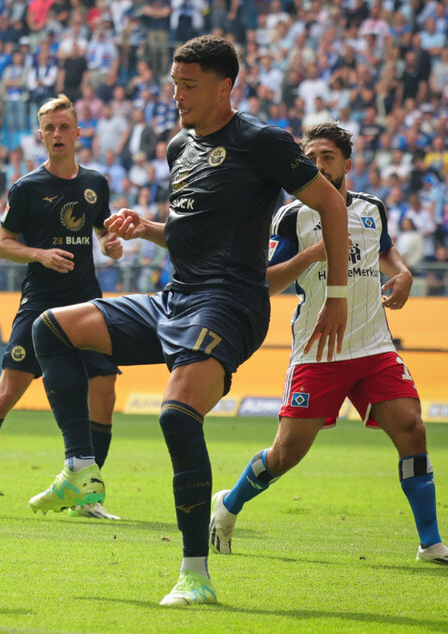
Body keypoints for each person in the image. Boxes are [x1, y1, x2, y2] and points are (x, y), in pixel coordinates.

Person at [27, 36, 351, 606]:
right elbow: (186, 231)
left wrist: (340, 297)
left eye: (189, 85)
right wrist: (143, 226)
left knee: (177, 417)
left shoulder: (262, 141)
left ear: (225, 88)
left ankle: (194, 574)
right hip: (175, 297)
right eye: (174, 84)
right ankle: (81, 468)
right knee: (51, 327)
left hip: (231, 303)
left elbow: (330, 204)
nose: (176, 95)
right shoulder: (181, 147)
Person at [209, 121, 448, 566]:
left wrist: (403, 272)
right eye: (311, 158)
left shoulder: (372, 208)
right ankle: (228, 503)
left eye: (327, 158)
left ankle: (431, 542)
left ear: (347, 164)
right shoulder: (293, 216)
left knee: (412, 429)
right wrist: (312, 254)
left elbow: (386, 251)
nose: (318, 166)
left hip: (374, 347)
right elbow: (263, 284)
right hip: (320, 351)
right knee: (285, 454)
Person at [0, 94, 124, 519]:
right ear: (41, 136)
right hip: (40, 305)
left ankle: (87, 495)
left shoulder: (96, 184)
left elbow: (104, 237)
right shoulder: (27, 188)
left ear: (78, 132)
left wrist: (112, 245)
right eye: (50, 128)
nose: (58, 134)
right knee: (7, 393)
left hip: (88, 304)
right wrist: (40, 255)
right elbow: (2, 245)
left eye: (64, 127)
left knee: (105, 392)